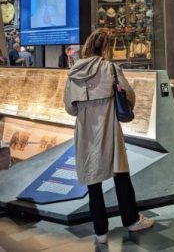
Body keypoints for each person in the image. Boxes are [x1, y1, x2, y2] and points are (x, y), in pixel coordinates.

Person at [63, 29, 154, 244]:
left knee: (93, 181)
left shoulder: (74, 73)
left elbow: (69, 107)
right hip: (108, 126)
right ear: (106, 47)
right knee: (120, 174)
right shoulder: (111, 68)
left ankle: (101, 232)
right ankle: (131, 220)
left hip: (85, 129)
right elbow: (129, 97)